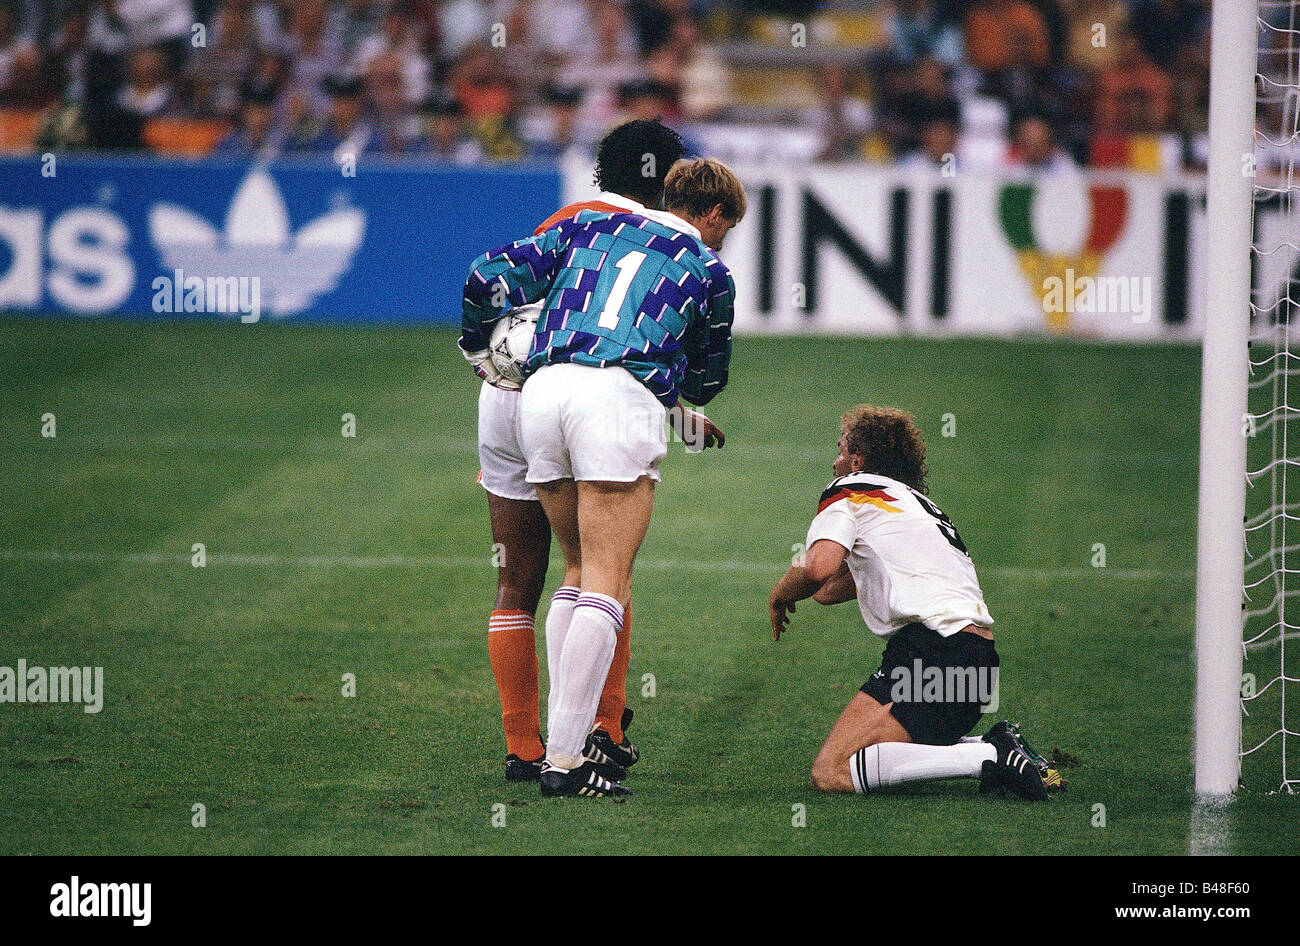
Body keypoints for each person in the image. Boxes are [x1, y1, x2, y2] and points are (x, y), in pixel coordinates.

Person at [461, 157, 745, 797]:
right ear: (714, 215)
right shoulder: (709, 269)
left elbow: (486, 274)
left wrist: (477, 349)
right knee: (607, 583)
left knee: (577, 567)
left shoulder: (589, 225)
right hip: (618, 403)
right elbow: (709, 378)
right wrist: (681, 393)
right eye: (727, 227)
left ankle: (555, 740)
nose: (723, 240)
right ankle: (566, 761)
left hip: (543, 393)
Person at [767, 405, 1064, 800]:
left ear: (857, 460)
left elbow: (818, 568)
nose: (834, 460)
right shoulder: (917, 507)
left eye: (839, 450)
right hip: (976, 669)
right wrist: (808, 583)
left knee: (832, 770)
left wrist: (780, 592)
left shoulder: (851, 488)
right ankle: (993, 745)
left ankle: (990, 757)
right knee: (873, 756)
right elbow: (828, 588)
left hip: (933, 656)